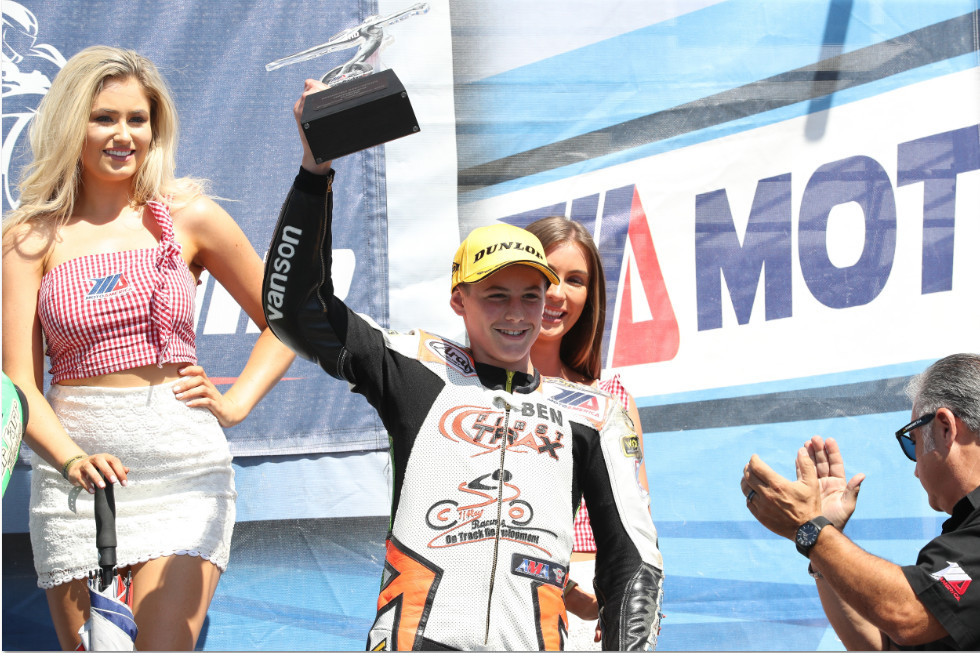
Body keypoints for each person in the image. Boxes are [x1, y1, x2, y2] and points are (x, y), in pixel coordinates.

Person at [261, 78, 664, 651]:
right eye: (494, 295)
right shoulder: (416, 368)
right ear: (460, 300)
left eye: (530, 294)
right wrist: (313, 173)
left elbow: (634, 564)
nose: (516, 312)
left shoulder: (596, 413)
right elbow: (294, 311)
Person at [1, 46, 295, 651]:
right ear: (68, 124)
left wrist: (236, 402)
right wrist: (68, 458)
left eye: (138, 119)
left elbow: (288, 322)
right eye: (104, 117)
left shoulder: (190, 217)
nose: (123, 134)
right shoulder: (27, 237)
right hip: (75, 479)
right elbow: (20, 384)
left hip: (184, 471)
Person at [740, 353, 980, 650]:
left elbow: (909, 614)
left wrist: (811, 530)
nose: (915, 468)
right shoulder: (965, 535)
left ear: (945, 427)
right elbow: (877, 645)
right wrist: (823, 539)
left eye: (912, 441)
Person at [525, 216, 658, 649]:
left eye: (575, 280)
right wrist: (565, 590)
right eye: (546, 275)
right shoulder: (479, 392)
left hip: (600, 600)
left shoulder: (612, 397)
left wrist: (628, 599)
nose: (558, 293)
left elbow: (637, 520)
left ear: (591, 295)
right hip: (516, 591)